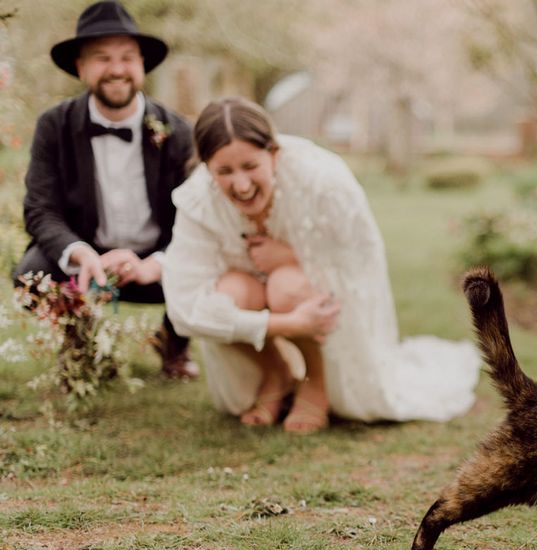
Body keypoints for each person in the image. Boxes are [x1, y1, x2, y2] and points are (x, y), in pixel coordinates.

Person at [163, 97, 481, 432]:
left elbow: (361, 263)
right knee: (228, 294)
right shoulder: (197, 201)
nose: (241, 185)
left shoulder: (322, 181)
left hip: (310, 292)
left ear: (274, 153)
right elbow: (185, 308)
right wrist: (286, 325)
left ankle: (315, 380)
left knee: (285, 286)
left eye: (250, 166)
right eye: (224, 172)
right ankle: (276, 372)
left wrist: (290, 258)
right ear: (206, 168)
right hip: (262, 301)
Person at [14, 1, 198, 378]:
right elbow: (40, 209)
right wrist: (83, 255)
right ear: (81, 68)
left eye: (127, 57)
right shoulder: (55, 126)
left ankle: (173, 342)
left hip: (158, 262)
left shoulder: (178, 131)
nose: (117, 69)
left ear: (142, 65)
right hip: (90, 262)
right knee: (31, 273)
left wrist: (157, 264)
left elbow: (197, 219)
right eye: (102, 58)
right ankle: (80, 343)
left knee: (209, 264)